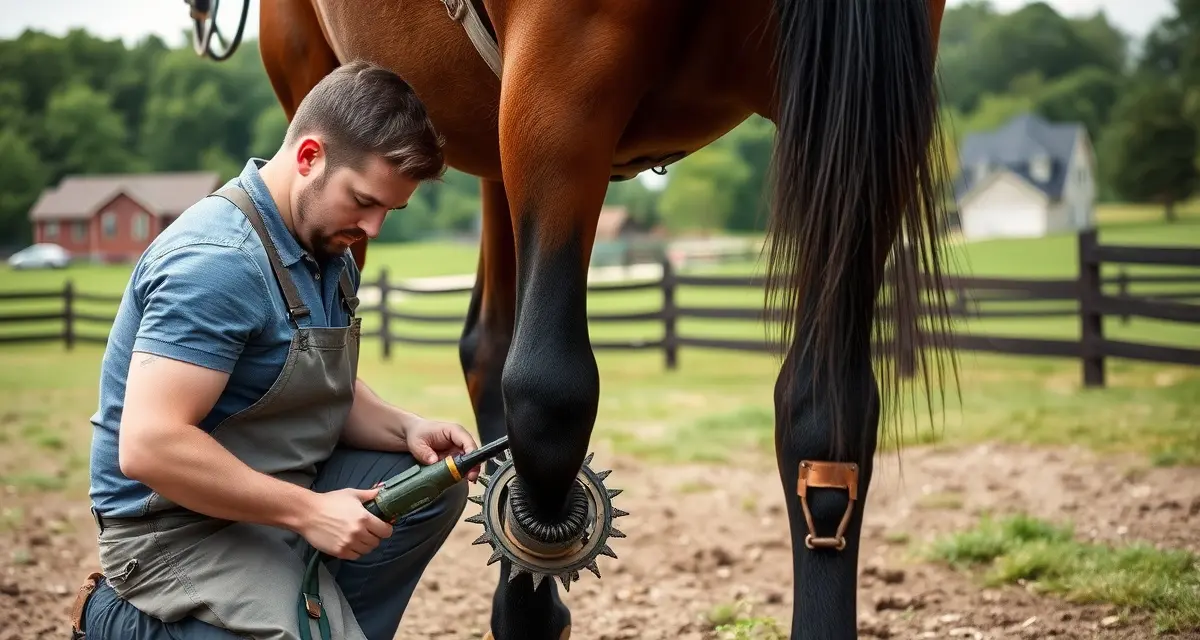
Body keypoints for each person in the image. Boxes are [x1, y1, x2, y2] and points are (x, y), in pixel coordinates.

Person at [70, 60, 479, 640]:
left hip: (275, 494)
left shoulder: (326, 246)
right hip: (178, 528)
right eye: (363, 201)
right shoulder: (219, 261)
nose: (374, 228)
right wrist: (310, 513)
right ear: (309, 156)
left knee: (430, 485)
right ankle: (116, 620)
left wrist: (406, 428)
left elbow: (312, 384)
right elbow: (149, 445)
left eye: (389, 210)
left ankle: (321, 621)